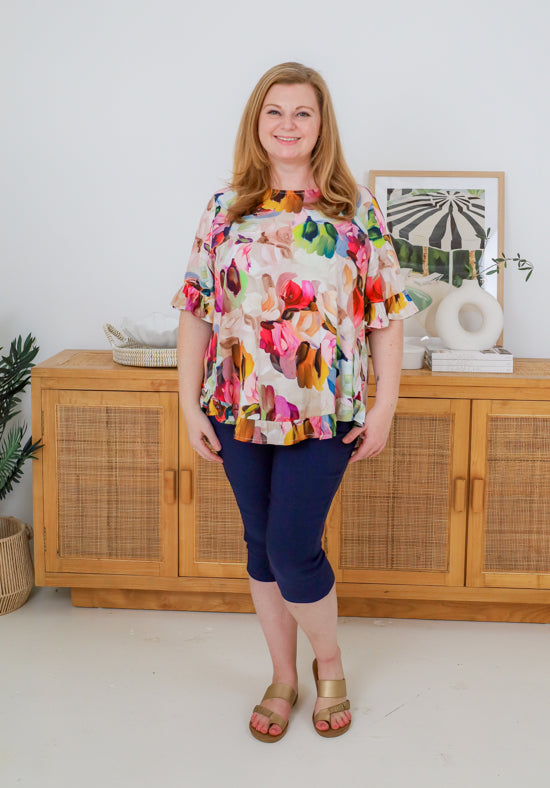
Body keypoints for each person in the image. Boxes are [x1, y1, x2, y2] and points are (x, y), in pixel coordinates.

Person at [171, 62, 417, 742]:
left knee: (291, 546)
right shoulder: (225, 209)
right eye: (274, 111)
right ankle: (283, 674)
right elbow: (195, 310)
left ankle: (328, 663)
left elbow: (385, 315)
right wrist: (189, 405)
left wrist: (385, 405)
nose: (287, 123)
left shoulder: (353, 210)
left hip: (325, 409)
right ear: (257, 122)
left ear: (321, 125)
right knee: (260, 548)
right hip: (237, 406)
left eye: (302, 112)